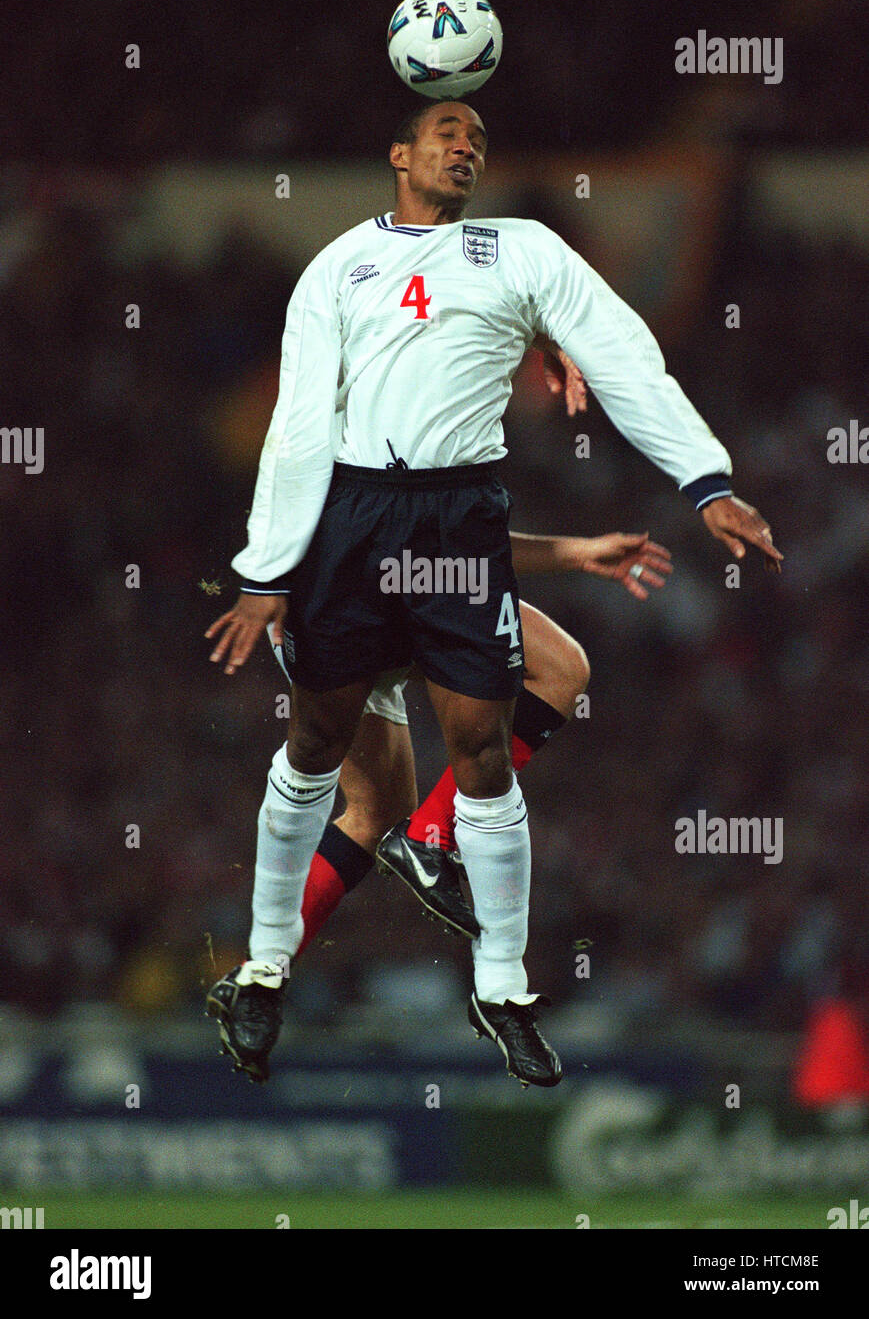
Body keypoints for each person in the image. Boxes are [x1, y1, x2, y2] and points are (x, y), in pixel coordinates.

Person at [205, 97, 782, 1089]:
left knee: (499, 728)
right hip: (342, 540)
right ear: (397, 154)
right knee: (340, 773)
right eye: (442, 131)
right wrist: (265, 570)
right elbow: (301, 430)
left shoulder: (520, 257)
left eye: (476, 134)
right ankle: (263, 969)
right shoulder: (340, 270)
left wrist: (705, 480)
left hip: (450, 534)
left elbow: (620, 355)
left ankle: (497, 984)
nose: (463, 143)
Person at [207, 521, 673, 1083]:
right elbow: (302, 481)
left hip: (425, 587)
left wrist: (576, 551)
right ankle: (266, 969)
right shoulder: (364, 450)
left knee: (557, 673)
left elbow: (466, 531)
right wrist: (268, 578)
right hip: (348, 600)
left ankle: (412, 850)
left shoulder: (454, 462)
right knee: (364, 799)